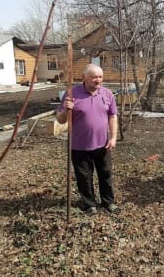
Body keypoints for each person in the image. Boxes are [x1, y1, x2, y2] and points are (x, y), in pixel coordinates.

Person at [56, 64, 120, 214]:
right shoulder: (72, 93)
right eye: (94, 77)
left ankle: (108, 202)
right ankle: (89, 204)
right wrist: (66, 109)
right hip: (79, 145)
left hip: (103, 144)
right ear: (84, 77)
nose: (98, 80)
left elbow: (112, 116)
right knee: (84, 177)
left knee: (106, 175)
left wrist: (114, 137)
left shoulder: (107, 93)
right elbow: (60, 120)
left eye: (100, 77)